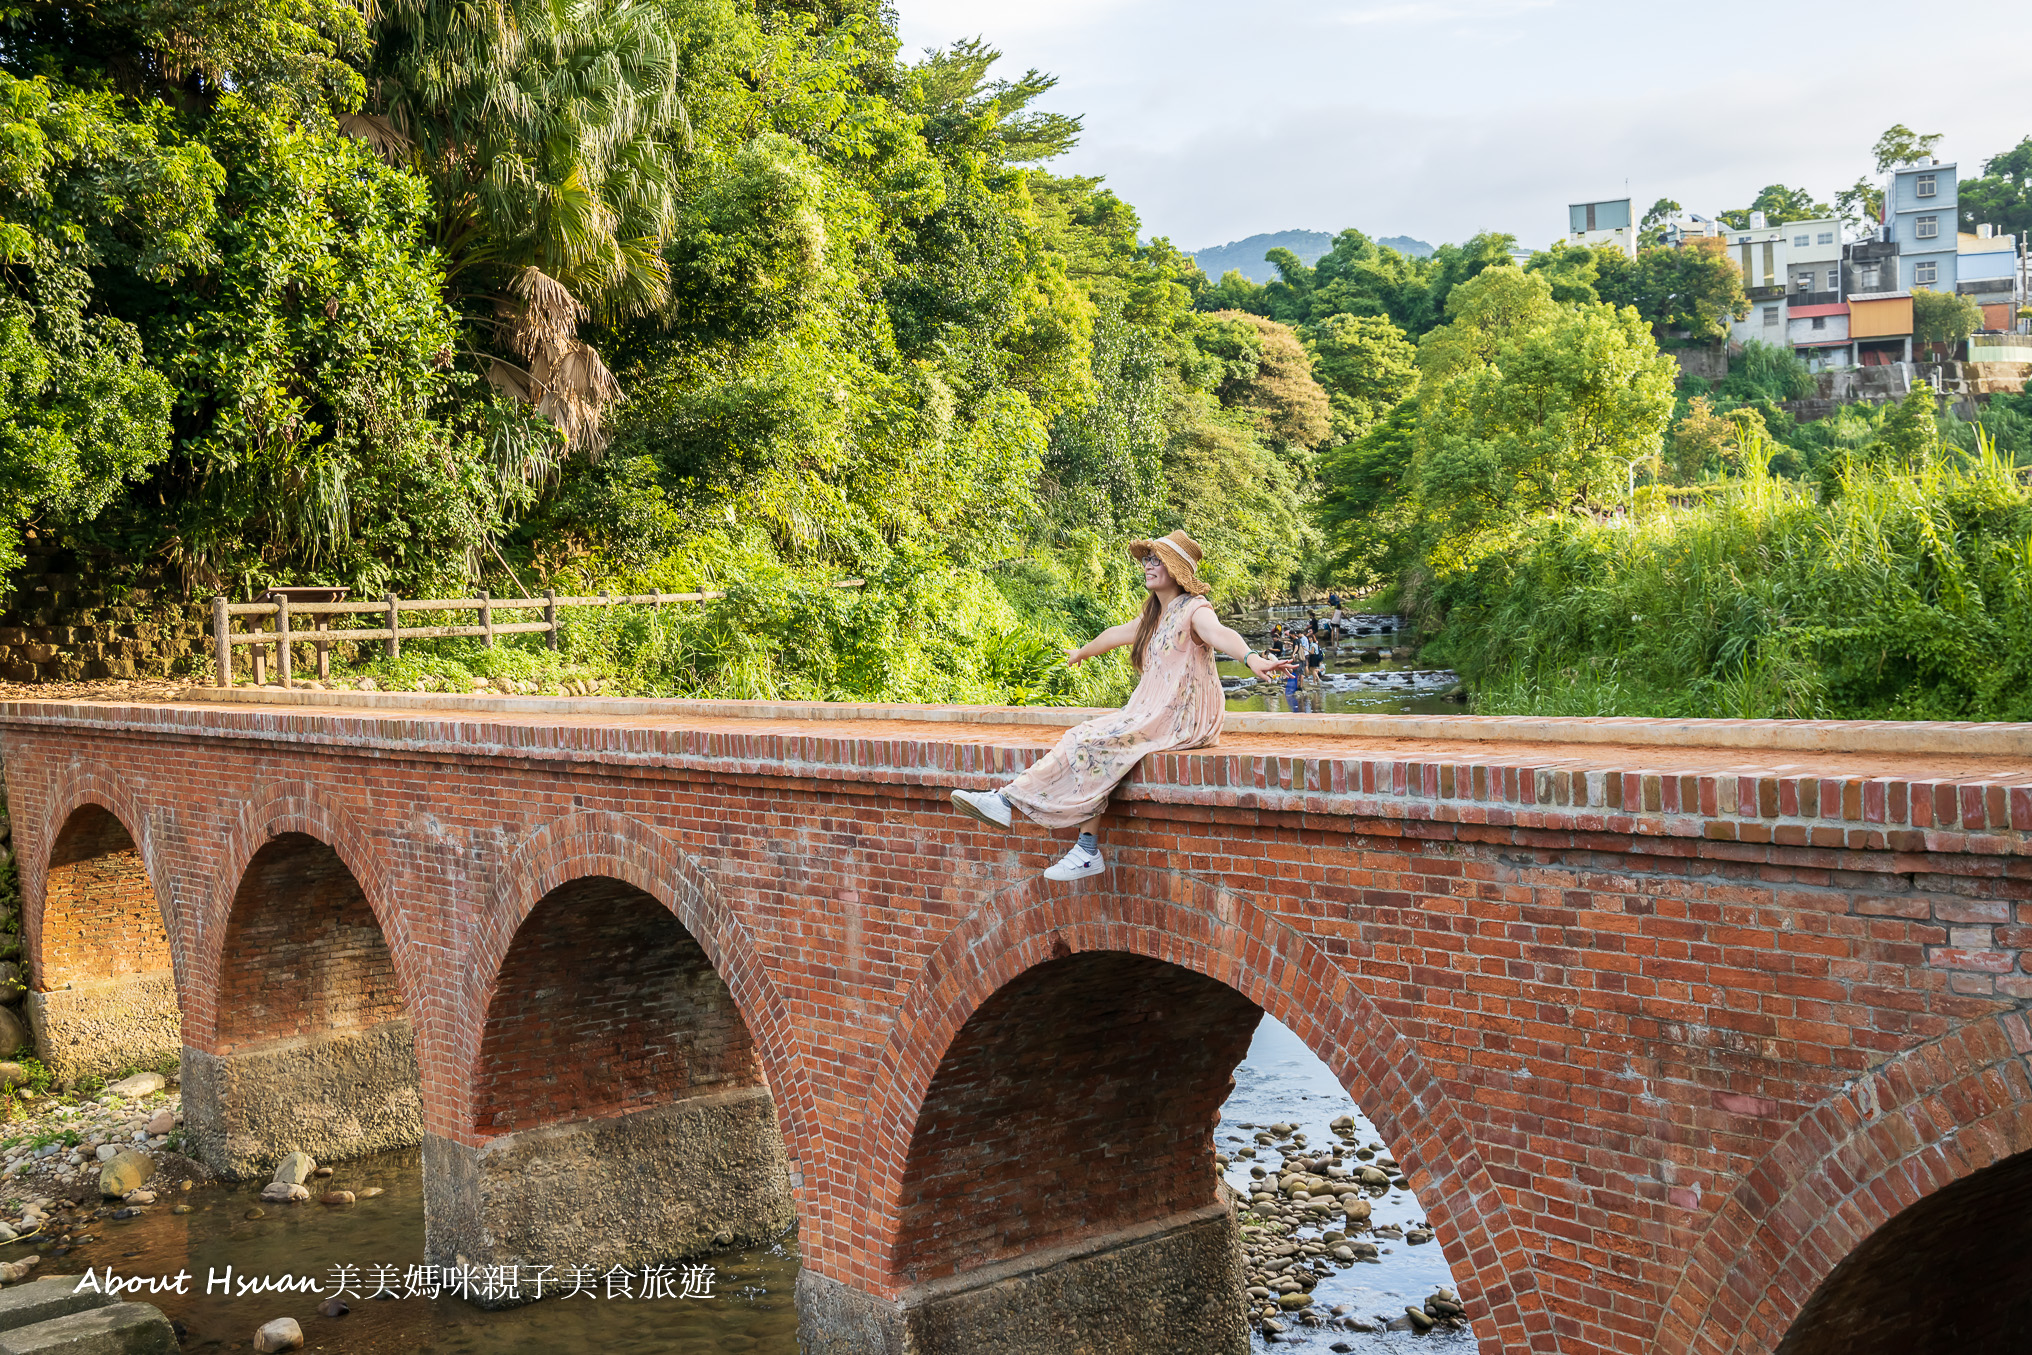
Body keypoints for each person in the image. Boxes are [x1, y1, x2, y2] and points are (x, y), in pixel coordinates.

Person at [948, 531, 1295, 881]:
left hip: (1185, 716)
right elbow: (1114, 634)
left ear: (1176, 570)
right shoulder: (1154, 616)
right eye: (1147, 559)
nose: (1148, 565)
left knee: (1095, 741)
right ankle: (1068, 838)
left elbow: (1219, 634)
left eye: (1156, 560)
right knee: (1085, 737)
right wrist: (1082, 652)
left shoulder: (1194, 609)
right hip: (1153, 710)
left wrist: (1251, 657)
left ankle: (1013, 805)